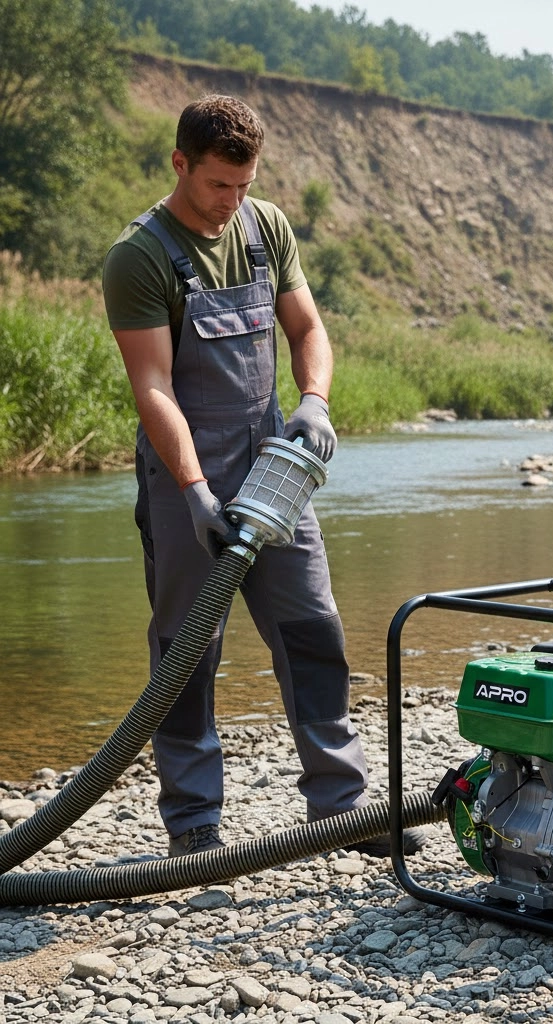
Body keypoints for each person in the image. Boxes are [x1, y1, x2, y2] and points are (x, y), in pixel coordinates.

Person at [102, 94, 425, 859]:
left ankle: (341, 809)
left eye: (244, 185)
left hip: (273, 464)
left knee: (313, 629)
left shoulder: (265, 227)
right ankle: (193, 824)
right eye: (218, 184)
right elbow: (153, 387)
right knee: (187, 649)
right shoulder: (139, 256)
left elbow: (307, 328)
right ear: (180, 164)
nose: (231, 201)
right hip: (186, 472)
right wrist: (194, 492)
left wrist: (314, 401)